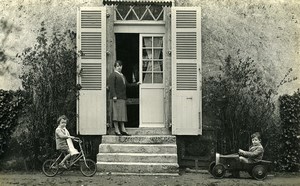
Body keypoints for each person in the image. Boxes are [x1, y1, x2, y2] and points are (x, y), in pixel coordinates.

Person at [108, 60, 139, 136]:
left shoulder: (122, 75)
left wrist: (136, 84)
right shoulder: (113, 75)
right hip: (116, 98)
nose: (119, 67)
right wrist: (114, 95)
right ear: (114, 67)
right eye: (118, 66)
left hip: (122, 97)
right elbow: (111, 87)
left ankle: (123, 129)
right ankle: (116, 129)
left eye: (120, 66)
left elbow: (127, 85)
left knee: (122, 114)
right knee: (116, 114)